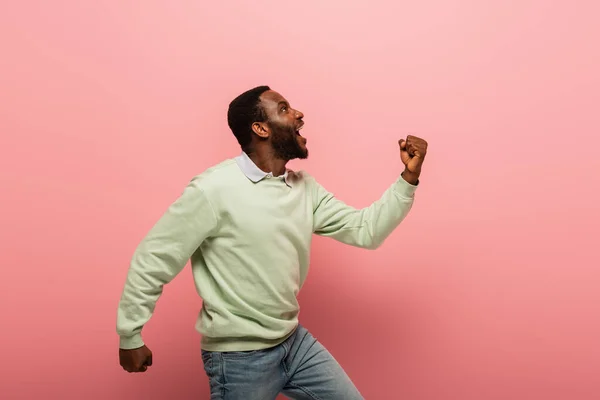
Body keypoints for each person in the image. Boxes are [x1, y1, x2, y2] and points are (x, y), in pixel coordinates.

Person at [116, 85, 428, 399]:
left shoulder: (303, 188)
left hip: (294, 343)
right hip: (239, 358)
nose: (298, 114)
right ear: (261, 128)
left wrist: (408, 178)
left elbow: (366, 230)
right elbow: (155, 256)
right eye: (283, 108)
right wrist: (130, 335)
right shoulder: (213, 189)